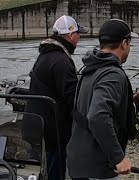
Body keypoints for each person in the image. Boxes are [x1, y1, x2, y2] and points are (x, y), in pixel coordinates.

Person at [66, 19, 139, 180]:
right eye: (130, 43)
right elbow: (97, 116)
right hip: (97, 168)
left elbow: (89, 109)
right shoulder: (113, 75)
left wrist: (135, 101)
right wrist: (118, 158)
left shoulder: (90, 67)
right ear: (124, 43)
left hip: (78, 162)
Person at [22, 15, 89, 180]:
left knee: (50, 164)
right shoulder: (62, 61)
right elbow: (72, 98)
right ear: (70, 35)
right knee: (56, 170)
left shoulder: (45, 55)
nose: (79, 38)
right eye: (78, 34)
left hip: (38, 122)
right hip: (54, 130)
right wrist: (88, 122)